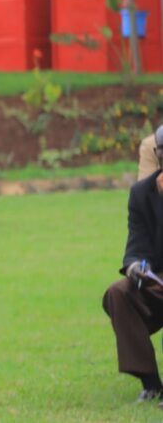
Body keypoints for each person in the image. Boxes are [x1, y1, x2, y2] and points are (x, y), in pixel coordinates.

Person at [103, 124, 163, 404]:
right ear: (157, 155)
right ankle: (151, 383)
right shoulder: (142, 193)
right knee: (119, 292)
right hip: (158, 279)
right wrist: (136, 267)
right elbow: (137, 246)